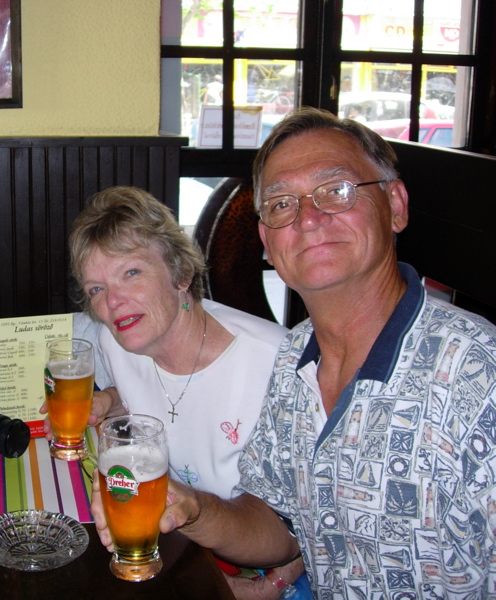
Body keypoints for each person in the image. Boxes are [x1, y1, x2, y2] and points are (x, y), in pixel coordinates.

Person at [152, 107, 496, 597]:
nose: (308, 218)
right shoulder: (295, 355)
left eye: (336, 190)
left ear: (396, 205)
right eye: (281, 203)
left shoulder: (480, 376)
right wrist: (192, 508)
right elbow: (280, 524)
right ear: (267, 241)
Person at [48, 186, 305, 595]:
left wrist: (270, 586)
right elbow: (144, 388)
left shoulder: (280, 366)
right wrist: (108, 400)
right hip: (183, 555)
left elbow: (312, 519)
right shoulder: (117, 341)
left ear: (181, 273)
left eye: (131, 273)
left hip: (269, 573)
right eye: (97, 288)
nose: (113, 301)